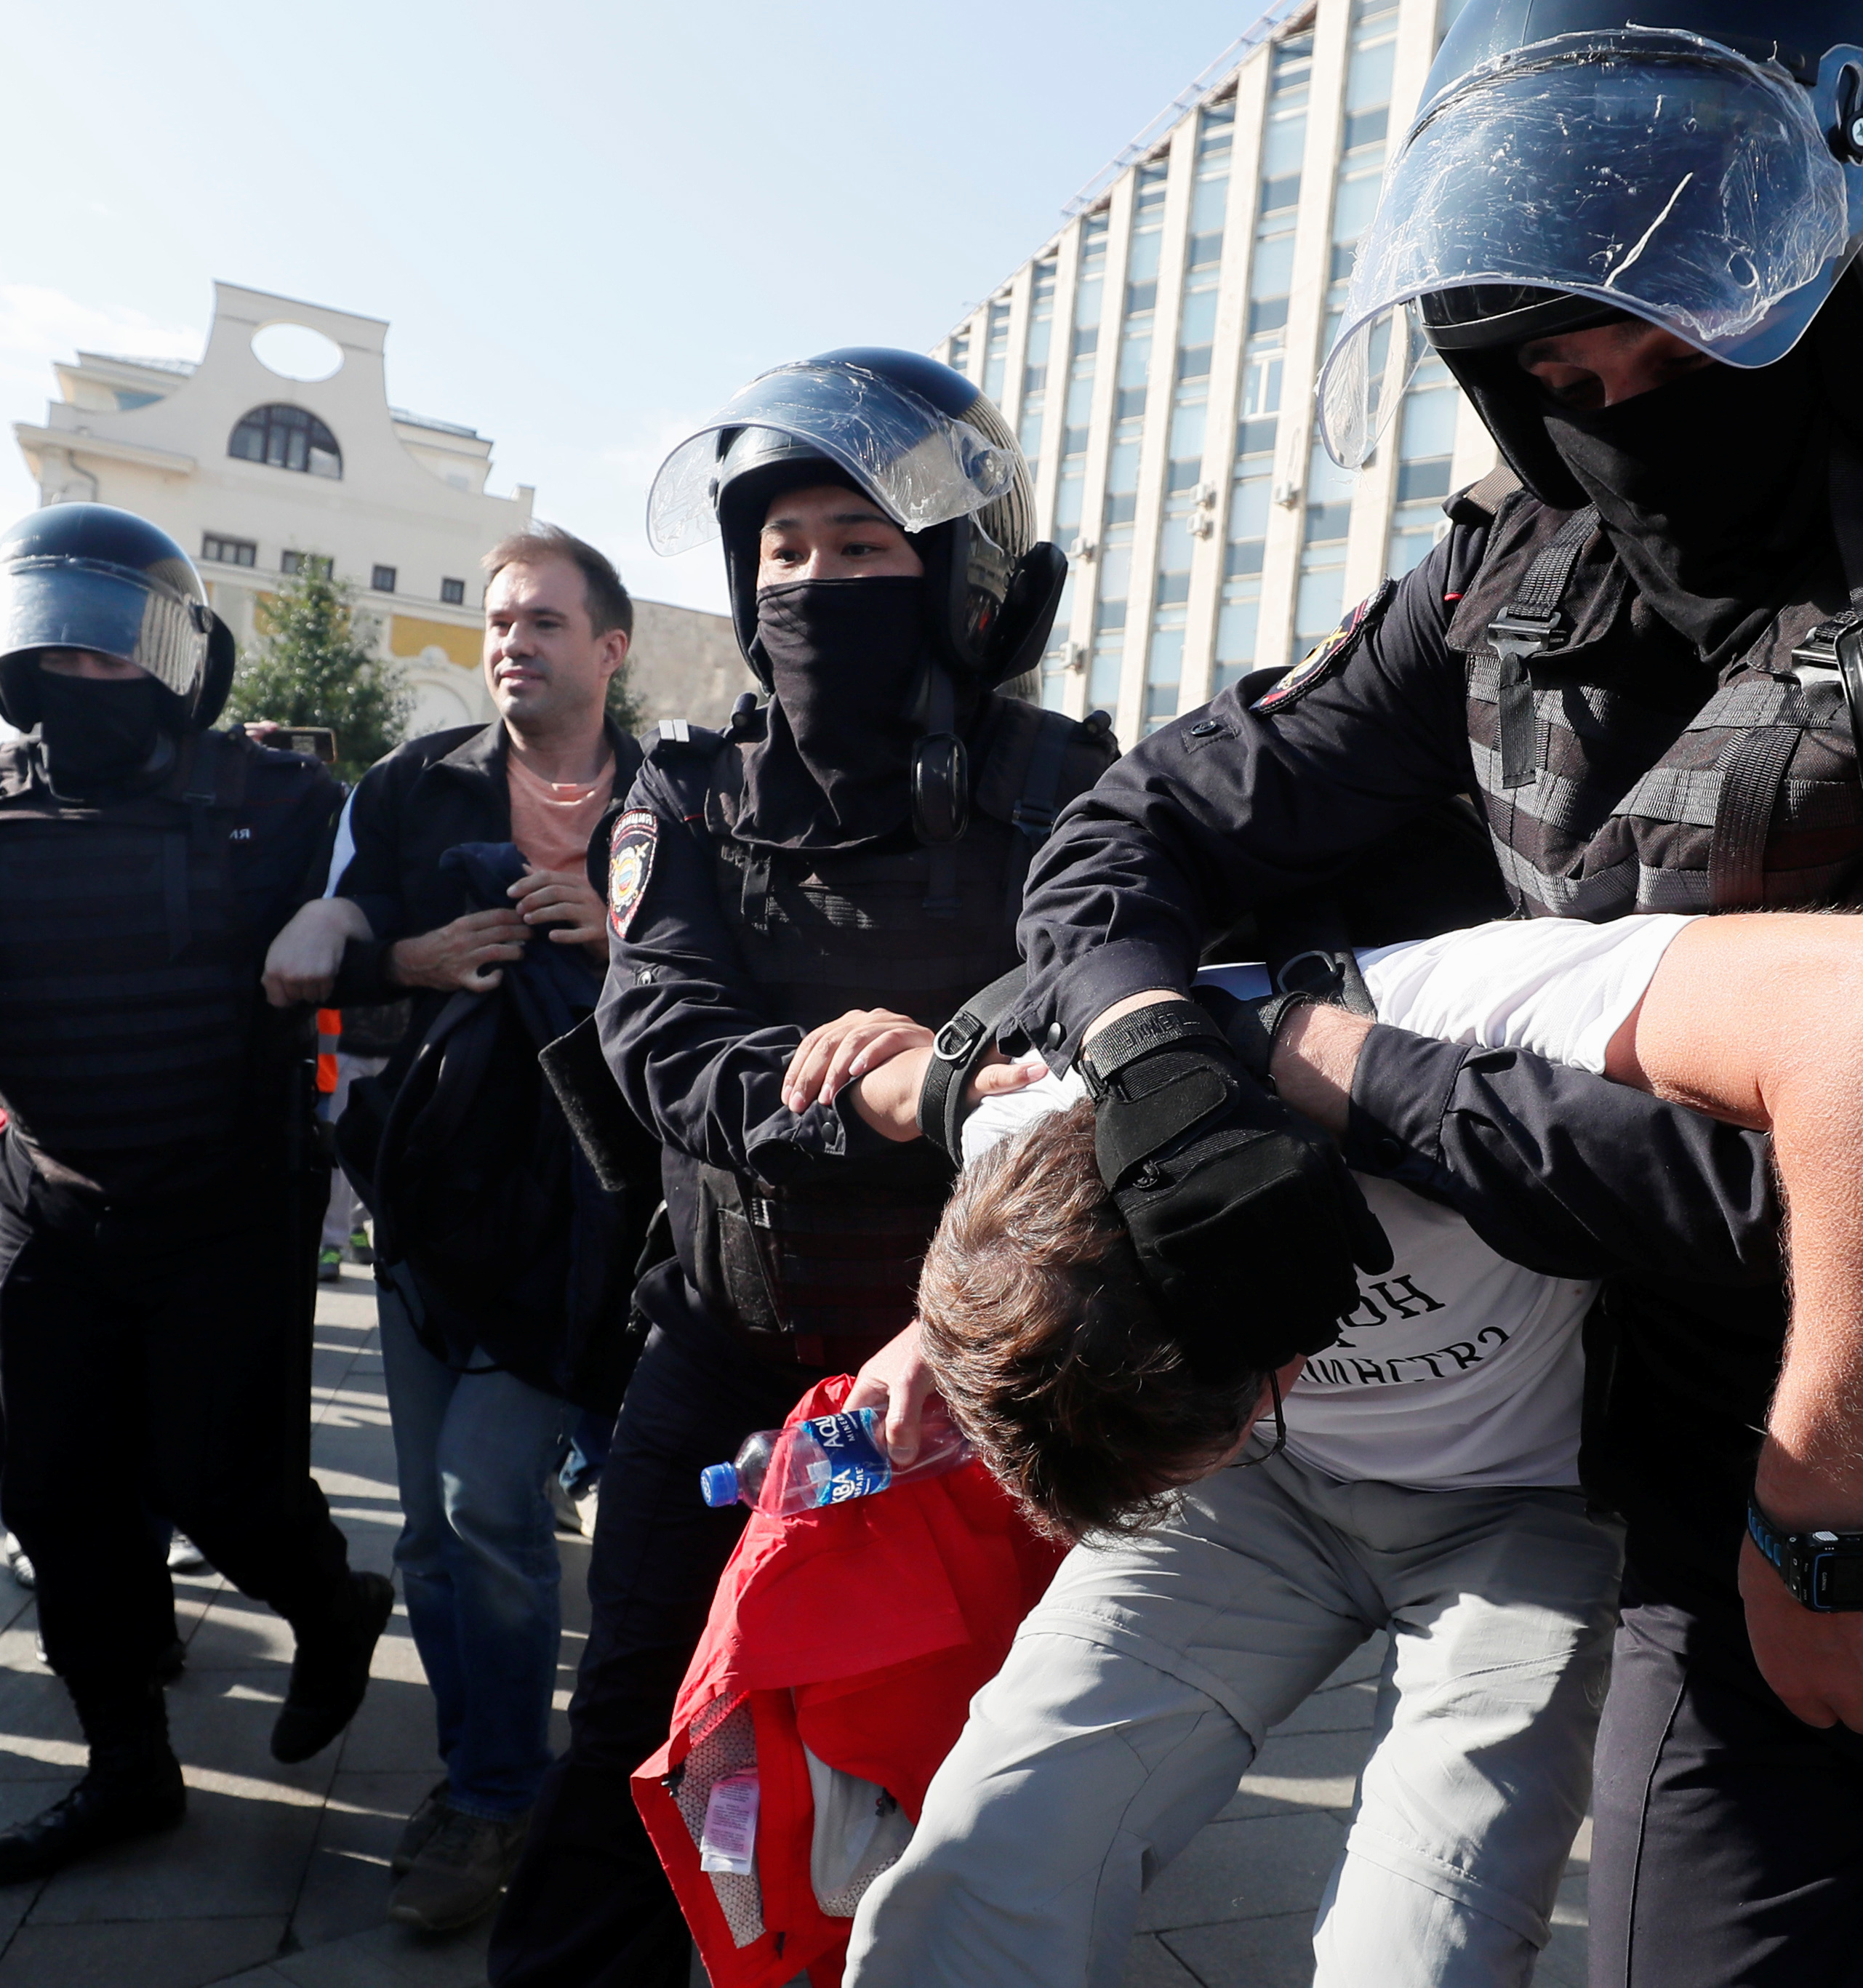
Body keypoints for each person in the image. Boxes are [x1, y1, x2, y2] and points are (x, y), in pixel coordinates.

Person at [1007, 3, 1863, 1978]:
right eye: (1552, 325)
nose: (1597, 374)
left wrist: (1315, 1056)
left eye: (1672, 290)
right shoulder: (1512, 574)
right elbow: (1133, 829)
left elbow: (1848, 1159)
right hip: (1699, 1534)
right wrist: (1147, 1048)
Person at [846, 905, 1863, 1987]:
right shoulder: (1025, 1113)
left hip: (1522, 1513)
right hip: (1260, 1503)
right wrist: (935, 1328)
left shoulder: (1464, 1008)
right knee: (986, 1851)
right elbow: (1004, 1207)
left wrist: (1830, 1514)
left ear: (1278, 1353)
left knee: (1425, 1939)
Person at [485, 350, 1116, 1988]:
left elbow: (1097, 1011)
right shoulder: (682, 792)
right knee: (638, 1707)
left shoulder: (1070, 785)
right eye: (785, 551)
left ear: (965, 571)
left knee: (959, 1761)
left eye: (862, 544)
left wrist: (942, 1048)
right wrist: (875, 1092)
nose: (817, 579)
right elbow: (661, 1033)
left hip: (975, 1379)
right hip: (721, 1346)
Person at [0, 502, 394, 1879]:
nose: (84, 681)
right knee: (58, 1499)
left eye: (114, 657)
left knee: (225, 1484)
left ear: (176, 659)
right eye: (59, 656)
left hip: (229, 1204)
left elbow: (382, 911)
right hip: (53, 1208)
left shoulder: (278, 800)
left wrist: (341, 919)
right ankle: (127, 1770)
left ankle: (334, 1601)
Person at [260, 523, 643, 1931]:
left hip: (596, 1216)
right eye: (497, 620)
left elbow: (736, 979)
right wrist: (402, 956)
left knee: (494, 1498)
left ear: (609, 647)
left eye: (544, 620)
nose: (512, 642)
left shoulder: (679, 799)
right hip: (433, 1202)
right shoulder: (412, 787)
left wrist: (616, 934)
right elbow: (336, 984)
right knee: (428, 1530)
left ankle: (499, 1791)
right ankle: (487, 1772)